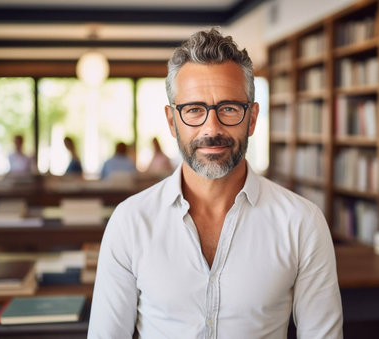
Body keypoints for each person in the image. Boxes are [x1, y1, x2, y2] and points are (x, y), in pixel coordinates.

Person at [88, 28, 343, 338]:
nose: (212, 127)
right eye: (194, 109)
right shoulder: (130, 222)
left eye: (229, 109)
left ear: (251, 118)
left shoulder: (302, 222)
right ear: (172, 122)